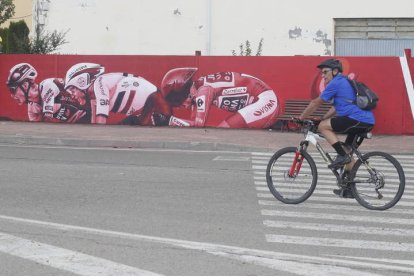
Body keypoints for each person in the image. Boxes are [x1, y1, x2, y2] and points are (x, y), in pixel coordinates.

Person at [298, 58, 375, 198]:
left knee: (324, 128)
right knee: (348, 151)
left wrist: (301, 117)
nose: (323, 75)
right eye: (322, 73)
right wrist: (323, 119)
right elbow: (335, 108)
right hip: (365, 121)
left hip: (356, 119)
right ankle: (349, 189)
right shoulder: (343, 82)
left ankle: (342, 156)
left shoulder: (336, 82)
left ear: (335, 71)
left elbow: (316, 102)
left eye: (325, 72)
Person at [152, 68, 280, 128]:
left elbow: (198, 125)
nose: (181, 106)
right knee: (223, 128)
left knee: (224, 130)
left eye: (177, 102)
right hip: (260, 99)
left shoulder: (203, 91)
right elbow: (193, 124)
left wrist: (169, 120)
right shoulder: (198, 88)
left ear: (182, 92)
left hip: (266, 100)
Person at [64, 63, 169, 125]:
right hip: (145, 108)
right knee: (124, 126)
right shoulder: (93, 98)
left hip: (154, 101)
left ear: (82, 82)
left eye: (73, 89)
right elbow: (94, 123)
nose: (72, 95)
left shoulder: (99, 82)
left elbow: (101, 117)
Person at [6, 63, 90, 123]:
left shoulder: (46, 85)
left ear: (24, 85)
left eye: (13, 90)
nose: (12, 95)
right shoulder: (32, 108)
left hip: (87, 114)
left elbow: (48, 122)